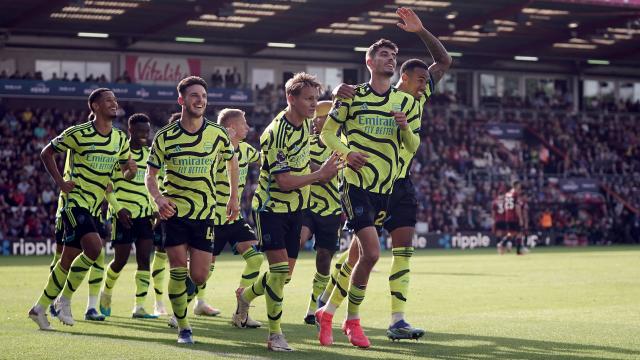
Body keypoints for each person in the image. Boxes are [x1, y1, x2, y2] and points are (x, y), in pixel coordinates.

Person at [332, 7, 452, 340]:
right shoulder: (384, 96)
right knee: (358, 255)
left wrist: (421, 31)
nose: (425, 85)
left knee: (401, 251)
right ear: (404, 78)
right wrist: (334, 95)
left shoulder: (416, 98)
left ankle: (397, 319)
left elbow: (443, 62)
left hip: (400, 186)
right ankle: (326, 306)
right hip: (367, 184)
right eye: (421, 80)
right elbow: (333, 114)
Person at [316, 35, 421, 349]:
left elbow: (413, 146)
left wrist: (404, 127)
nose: (390, 59)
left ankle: (328, 313)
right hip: (356, 184)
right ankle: (353, 321)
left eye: (393, 55)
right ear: (370, 62)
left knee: (362, 256)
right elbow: (326, 134)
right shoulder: (351, 96)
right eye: (384, 55)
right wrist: (347, 155)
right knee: (372, 253)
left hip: (386, 189)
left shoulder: (405, 102)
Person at [232, 72, 339, 352]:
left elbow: (328, 107)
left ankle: (245, 296)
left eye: (316, 98)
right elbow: (285, 181)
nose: (314, 105)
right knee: (279, 272)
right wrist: (320, 175)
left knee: (284, 277)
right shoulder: (275, 133)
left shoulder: (305, 120)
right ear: (290, 98)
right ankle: (275, 335)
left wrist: (344, 97)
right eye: (309, 99)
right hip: (271, 209)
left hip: (298, 208)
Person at [28, 88, 135, 330]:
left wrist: (131, 170)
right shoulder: (79, 133)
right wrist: (61, 183)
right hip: (74, 202)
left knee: (68, 259)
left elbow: (122, 171)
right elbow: (47, 152)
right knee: (95, 248)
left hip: (96, 206)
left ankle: (40, 307)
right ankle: (64, 299)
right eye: (108, 100)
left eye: (115, 100)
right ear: (95, 106)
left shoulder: (119, 138)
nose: (113, 103)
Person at [145, 76, 240, 344]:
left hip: (205, 214)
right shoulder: (165, 136)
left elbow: (233, 165)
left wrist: (233, 197)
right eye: (194, 95)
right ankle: (184, 327)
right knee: (176, 268)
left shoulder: (217, 134)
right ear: (182, 100)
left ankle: (181, 303)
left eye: (203, 96)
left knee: (198, 275)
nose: (200, 100)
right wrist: (158, 198)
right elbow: (149, 175)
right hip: (174, 213)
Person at [198, 108, 262, 326]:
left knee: (255, 259)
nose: (248, 127)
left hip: (233, 218)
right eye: (244, 123)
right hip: (213, 219)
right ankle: (179, 312)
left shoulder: (246, 150)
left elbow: (265, 160)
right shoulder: (214, 153)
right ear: (231, 129)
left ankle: (241, 312)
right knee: (204, 270)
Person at [99, 113, 158, 319]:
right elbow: (107, 186)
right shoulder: (119, 154)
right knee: (120, 261)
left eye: (147, 131)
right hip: (123, 213)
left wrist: (154, 209)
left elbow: (152, 185)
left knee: (144, 259)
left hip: (144, 214)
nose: (144, 135)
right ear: (130, 130)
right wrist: (117, 208)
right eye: (140, 131)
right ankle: (106, 293)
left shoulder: (151, 155)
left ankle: (139, 307)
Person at [300, 100, 344, 325]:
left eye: (321, 116)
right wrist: (320, 170)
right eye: (315, 117)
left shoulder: (340, 143)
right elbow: (303, 167)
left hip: (332, 209)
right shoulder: (304, 141)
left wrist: (312, 168)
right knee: (296, 241)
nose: (316, 120)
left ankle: (313, 308)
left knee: (324, 257)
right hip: (307, 204)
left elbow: (331, 175)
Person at [494, 181, 527, 255]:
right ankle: (517, 251)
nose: (520, 187)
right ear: (516, 186)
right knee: (519, 233)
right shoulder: (515, 194)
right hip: (514, 217)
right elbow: (517, 207)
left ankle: (502, 244)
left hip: (507, 216)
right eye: (519, 186)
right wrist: (521, 218)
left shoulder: (507, 194)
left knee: (511, 233)